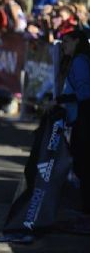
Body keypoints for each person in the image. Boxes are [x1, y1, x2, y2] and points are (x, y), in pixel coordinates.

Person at [56, 30, 90, 216]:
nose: (64, 46)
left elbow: (85, 92)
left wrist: (62, 99)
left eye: (67, 42)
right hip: (79, 117)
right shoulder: (78, 61)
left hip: (84, 117)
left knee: (83, 162)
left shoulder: (79, 62)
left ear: (77, 41)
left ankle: (86, 207)